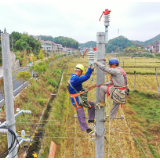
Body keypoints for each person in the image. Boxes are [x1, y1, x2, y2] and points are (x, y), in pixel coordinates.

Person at [68, 64, 96, 135]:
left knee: (92, 104)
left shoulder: (72, 78)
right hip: (76, 101)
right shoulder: (75, 78)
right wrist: (90, 69)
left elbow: (76, 88)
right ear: (79, 71)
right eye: (81, 73)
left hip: (80, 98)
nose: (81, 74)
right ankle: (87, 129)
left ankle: (91, 119)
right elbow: (86, 77)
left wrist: (83, 90)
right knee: (81, 114)